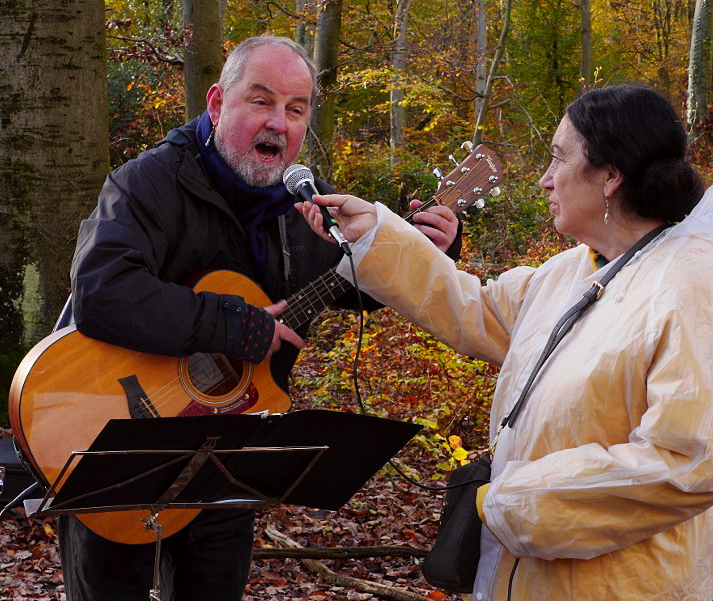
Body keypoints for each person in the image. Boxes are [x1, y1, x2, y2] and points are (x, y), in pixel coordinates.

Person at [63, 35, 461, 601]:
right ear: (219, 103)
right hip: (121, 434)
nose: (280, 122)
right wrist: (236, 325)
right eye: (262, 101)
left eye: (296, 110)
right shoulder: (148, 182)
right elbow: (102, 290)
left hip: (231, 450)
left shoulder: (305, 201)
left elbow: (356, 285)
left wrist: (423, 250)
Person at [299, 84, 713, 599]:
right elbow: (476, 309)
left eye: (559, 157)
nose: (544, 180)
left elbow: (690, 462)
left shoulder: (692, 285)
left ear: (611, 175)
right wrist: (375, 234)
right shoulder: (570, 270)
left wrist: (515, 502)